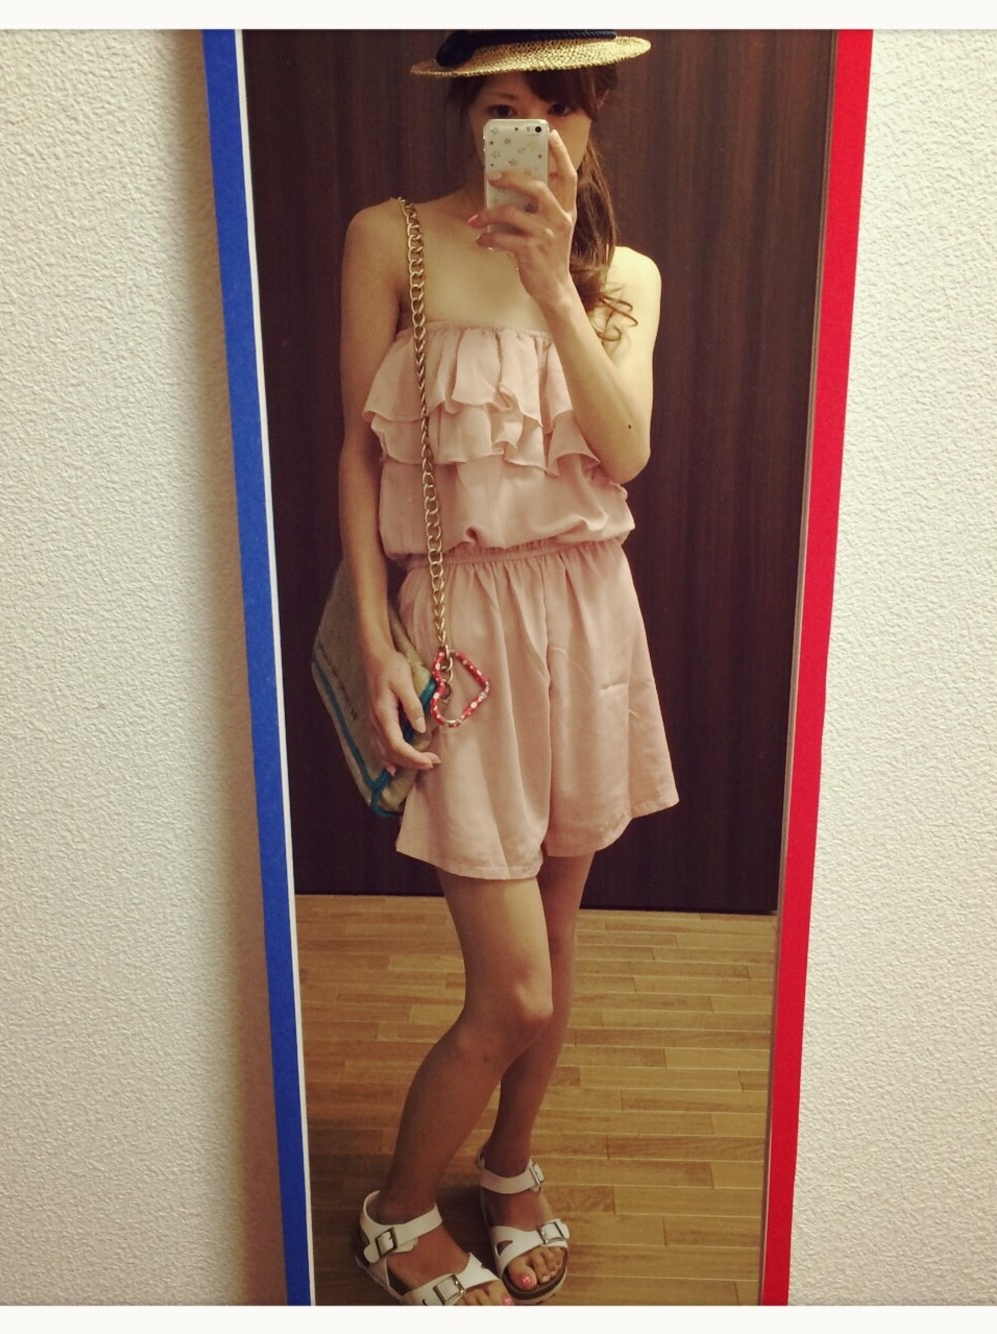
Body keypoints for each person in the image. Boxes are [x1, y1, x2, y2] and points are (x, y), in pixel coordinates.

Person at [339, 30, 679, 1307]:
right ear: (467, 119)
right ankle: (396, 1209)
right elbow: (355, 454)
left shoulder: (624, 278)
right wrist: (374, 637)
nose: (523, 133)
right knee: (516, 988)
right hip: (461, 622)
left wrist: (553, 285)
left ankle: (510, 1162)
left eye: (550, 109)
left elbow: (625, 451)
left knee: (560, 932)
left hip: (589, 616)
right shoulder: (395, 241)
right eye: (498, 108)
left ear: (589, 122)